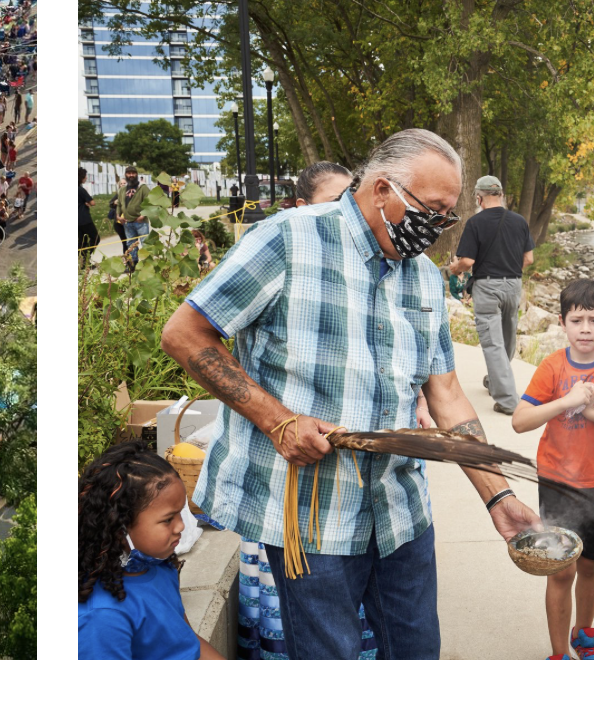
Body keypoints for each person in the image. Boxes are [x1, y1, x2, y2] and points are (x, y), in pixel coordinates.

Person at [160, 129, 540, 659]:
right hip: (312, 516)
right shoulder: (287, 239)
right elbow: (184, 334)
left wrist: (498, 497)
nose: (437, 228)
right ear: (383, 188)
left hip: (400, 510)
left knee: (416, 656)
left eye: (447, 215)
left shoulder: (424, 279)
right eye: (430, 210)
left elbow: (447, 393)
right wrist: (278, 421)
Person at [512, 278, 594, 659]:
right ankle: (558, 654)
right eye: (577, 320)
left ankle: (584, 639)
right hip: (557, 483)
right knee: (560, 569)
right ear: (561, 322)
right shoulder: (553, 367)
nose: (585, 328)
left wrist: (589, 411)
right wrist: (565, 400)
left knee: (589, 566)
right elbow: (520, 421)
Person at [78, 442, 222, 659]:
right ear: (120, 527)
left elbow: (187, 640)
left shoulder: (161, 567)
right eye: (168, 519)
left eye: (180, 513)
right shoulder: (103, 617)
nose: (182, 525)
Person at [445, 174, 535, 416]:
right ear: (502, 195)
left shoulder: (475, 223)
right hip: (514, 285)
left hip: (487, 287)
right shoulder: (519, 221)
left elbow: (468, 261)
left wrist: (455, 268)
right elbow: (529, 259)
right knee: (507, 338)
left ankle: (507, 401)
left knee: (493, 344)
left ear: (478, 197)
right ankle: (496, 381)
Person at [79, 166, 100, 256]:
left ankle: (81, 261)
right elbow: (92, 202)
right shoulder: (81, 189)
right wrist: (87, 202)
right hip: (84, 218)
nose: (86, 177)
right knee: (95, 238)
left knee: (82, 241)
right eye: (85, 176)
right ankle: (86, 256)